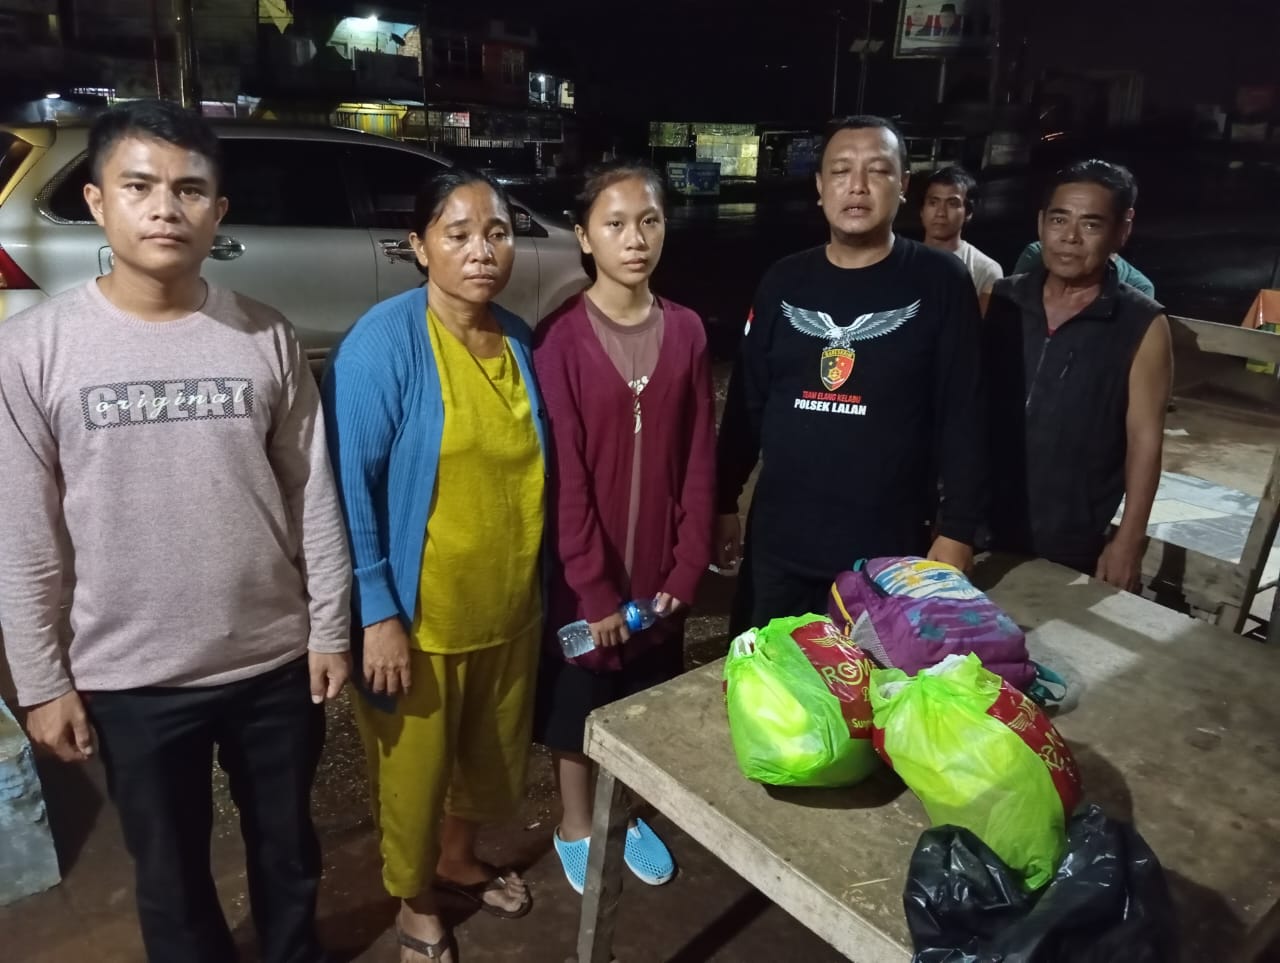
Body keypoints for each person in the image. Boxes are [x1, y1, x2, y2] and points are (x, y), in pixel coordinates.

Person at [0, 100, 352, 963]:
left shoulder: (265, 334)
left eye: (190, 189)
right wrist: (42, 681)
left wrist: (330, 627)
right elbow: (23, 528)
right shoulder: (35, 349)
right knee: (171, 879)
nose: (166, 207)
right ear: (97, 201)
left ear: (218, 211)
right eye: (140, 186)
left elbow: (313, 491)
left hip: (272, 662)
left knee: (288, 855)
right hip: (131, 677)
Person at [322, 170, 545, 963]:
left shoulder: (518, 337)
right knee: (412, 778)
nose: (482, 250)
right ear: (418, 247)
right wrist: (377, 611)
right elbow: (349, 488)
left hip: (509, 608)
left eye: (497, 232)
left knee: (488, 760)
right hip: (421, 621)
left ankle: (456, 858)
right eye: (458, 234)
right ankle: (414, 898)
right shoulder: (382, 344)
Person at [716, 115, 987, 639]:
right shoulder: (784, 280)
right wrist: (724, 500)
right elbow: (748, 404)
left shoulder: (939, 282)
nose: (857, 186)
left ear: (903, 185)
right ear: (820, 187)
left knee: (870, 685)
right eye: (841, 171)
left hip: (887, 556)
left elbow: (965, 413)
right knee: (765, 679)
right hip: (780, 547)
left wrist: (958, 530)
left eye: (877, 170)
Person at [532, 161, 715, 896]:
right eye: (614, 224)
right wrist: (594, 590)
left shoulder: (688, 330)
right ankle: (577, 823)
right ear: (584, 237)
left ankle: (625, 811)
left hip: (659, 570)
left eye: (649, 221)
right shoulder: (560, 339)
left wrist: (688, 563)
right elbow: (567, 477)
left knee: (642, 698)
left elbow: (698, 454)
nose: (634, 239)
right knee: (578, 700)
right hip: (588, 574)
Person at [983, 159, 1173, 589]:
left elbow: (1145, 440)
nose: (1069, 237)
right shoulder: (1000, 300)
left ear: (1122, 230)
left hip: (1068, 539)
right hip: (978, 523)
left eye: (1090, 224)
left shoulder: (1141, 323)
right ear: (1040, 223)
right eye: (1058, 220)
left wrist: (1128, 541)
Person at [920, 165, 1004, 309]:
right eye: (933, 203)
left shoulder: (985, 270)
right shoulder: (902, 260)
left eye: (952, 204)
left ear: (968, 213)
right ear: (922, 210)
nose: (940, 213)